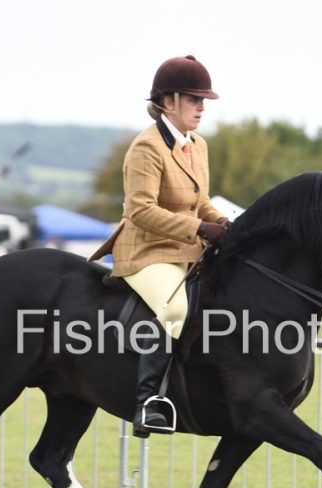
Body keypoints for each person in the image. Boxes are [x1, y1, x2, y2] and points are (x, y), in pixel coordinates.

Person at [89, 55, 230, 437]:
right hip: (147, 251)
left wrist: (222, 223)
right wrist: (199, 227)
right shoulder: (146, 147)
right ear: (169, 102)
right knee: (175, 307)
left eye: (204, 101)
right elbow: (141, 210)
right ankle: (149, 401)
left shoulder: (197, 145)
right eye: (194, 100)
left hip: (187, 249)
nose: (202, 108)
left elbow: (200, 201)